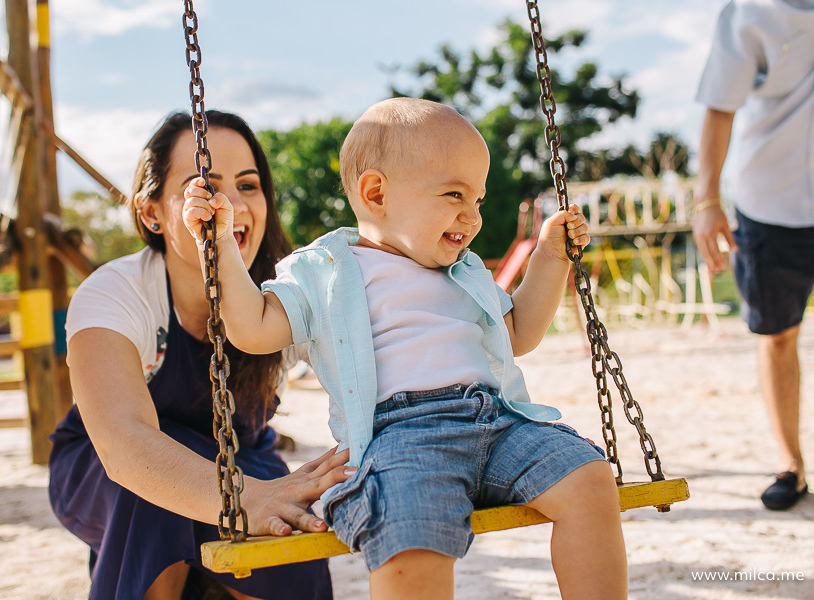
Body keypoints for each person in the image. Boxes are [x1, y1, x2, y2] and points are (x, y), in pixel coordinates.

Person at [183, 97, 627, 600]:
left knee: (590, 479)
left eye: (477, 200)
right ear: (376, 194)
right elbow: (253, 328)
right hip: (402, 436)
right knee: (405, 529)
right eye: (455, 194)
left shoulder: (464, 271)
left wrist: (550, 257)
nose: (473, 216)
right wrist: (217, 245)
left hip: (499, 422)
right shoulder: (323, 269)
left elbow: (519, 332)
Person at [47, 109, 355, 600]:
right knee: (151, 490)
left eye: (249, 185)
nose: (232, 203)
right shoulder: (116, 293)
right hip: (105, 472)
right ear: (151, 211)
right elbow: (124, 443)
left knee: (298, 554)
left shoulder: (288, 295)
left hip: (243, 460)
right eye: (205, 186)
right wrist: (247, 498)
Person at [692, 0, 813, 510]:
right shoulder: (748, 13)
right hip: (772, 201)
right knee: (777, 335)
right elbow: (720, 107)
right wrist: (706, 200)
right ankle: (792, 464)